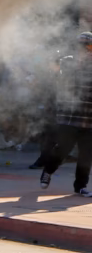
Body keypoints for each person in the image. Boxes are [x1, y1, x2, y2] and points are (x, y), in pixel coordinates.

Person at [40, 31, 92, 196]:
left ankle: (80, 186)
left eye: (89, 46)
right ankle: (48, 170)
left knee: (86, 155)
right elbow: (56, 76)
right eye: (83, 46)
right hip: (69, 117)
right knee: (62, 149)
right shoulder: (67, 62)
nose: (85, 49)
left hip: (89, 118)